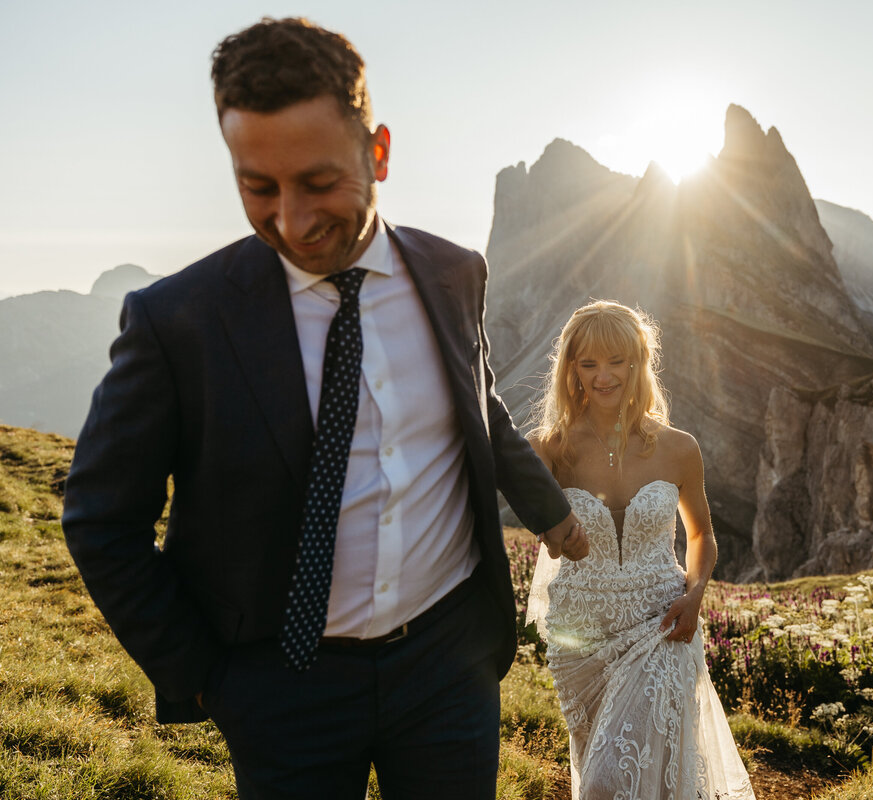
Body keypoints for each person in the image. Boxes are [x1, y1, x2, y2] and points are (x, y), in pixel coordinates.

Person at [61, 16, 587, 800]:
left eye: (317, 183)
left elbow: (480, 410)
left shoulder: (453, 273)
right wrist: (206, 678)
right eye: (257, 187)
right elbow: (101, 519)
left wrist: (553, 514)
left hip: (449, 668)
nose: (292, 221)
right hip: (279, 691)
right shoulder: (178, 322)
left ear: (377, 152)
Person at [525, 301, 755, 799]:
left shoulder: (678, 447)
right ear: (571, 370)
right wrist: (553, 531)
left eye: (617, 361)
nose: (603, 376)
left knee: (610, 783)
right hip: (579, 633)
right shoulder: (548, 448)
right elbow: (542, 533)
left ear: (638, 363)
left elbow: (700, 535)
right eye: (589, 363)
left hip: (661, 622)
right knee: (597, 767)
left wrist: (694, 597)